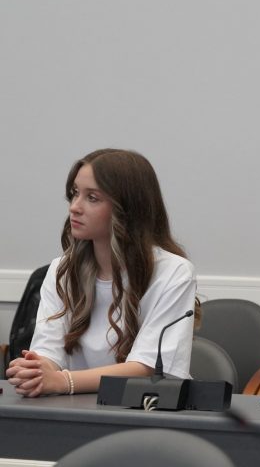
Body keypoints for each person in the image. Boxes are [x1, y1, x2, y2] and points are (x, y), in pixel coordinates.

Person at [5, 149, 197, 397]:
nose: (75, 207)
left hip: (143, 409)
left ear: (127, 209)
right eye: (75, 193)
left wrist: (63, 381)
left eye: (92, 198)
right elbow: (48, 351)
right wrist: (35, 370)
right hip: (71, 408)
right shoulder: (61, 270)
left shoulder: (174, 272)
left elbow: (146, 368)